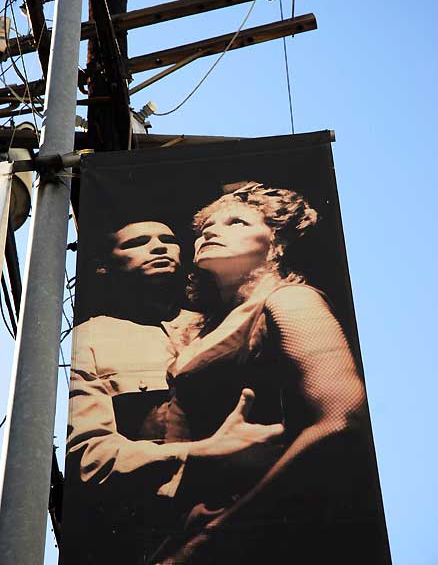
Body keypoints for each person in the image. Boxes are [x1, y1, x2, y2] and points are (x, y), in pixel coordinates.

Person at [152, 183, 386, 565]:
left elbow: (343, 419)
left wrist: (215, 535)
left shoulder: (290, 300)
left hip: (258, 532)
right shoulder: (205, 326)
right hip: (196, 524)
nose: (211, 231)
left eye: (236, 222)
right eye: (206, 226)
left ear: (277, 241)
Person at [61, 218, 284, 565]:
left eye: (168, 239)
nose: (159, 246)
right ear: (103, 266)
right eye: (137, 242)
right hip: (159, 538)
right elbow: (89, 458)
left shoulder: (231, 321)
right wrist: (201, 453)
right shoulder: (88, 339)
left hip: (259, 521)